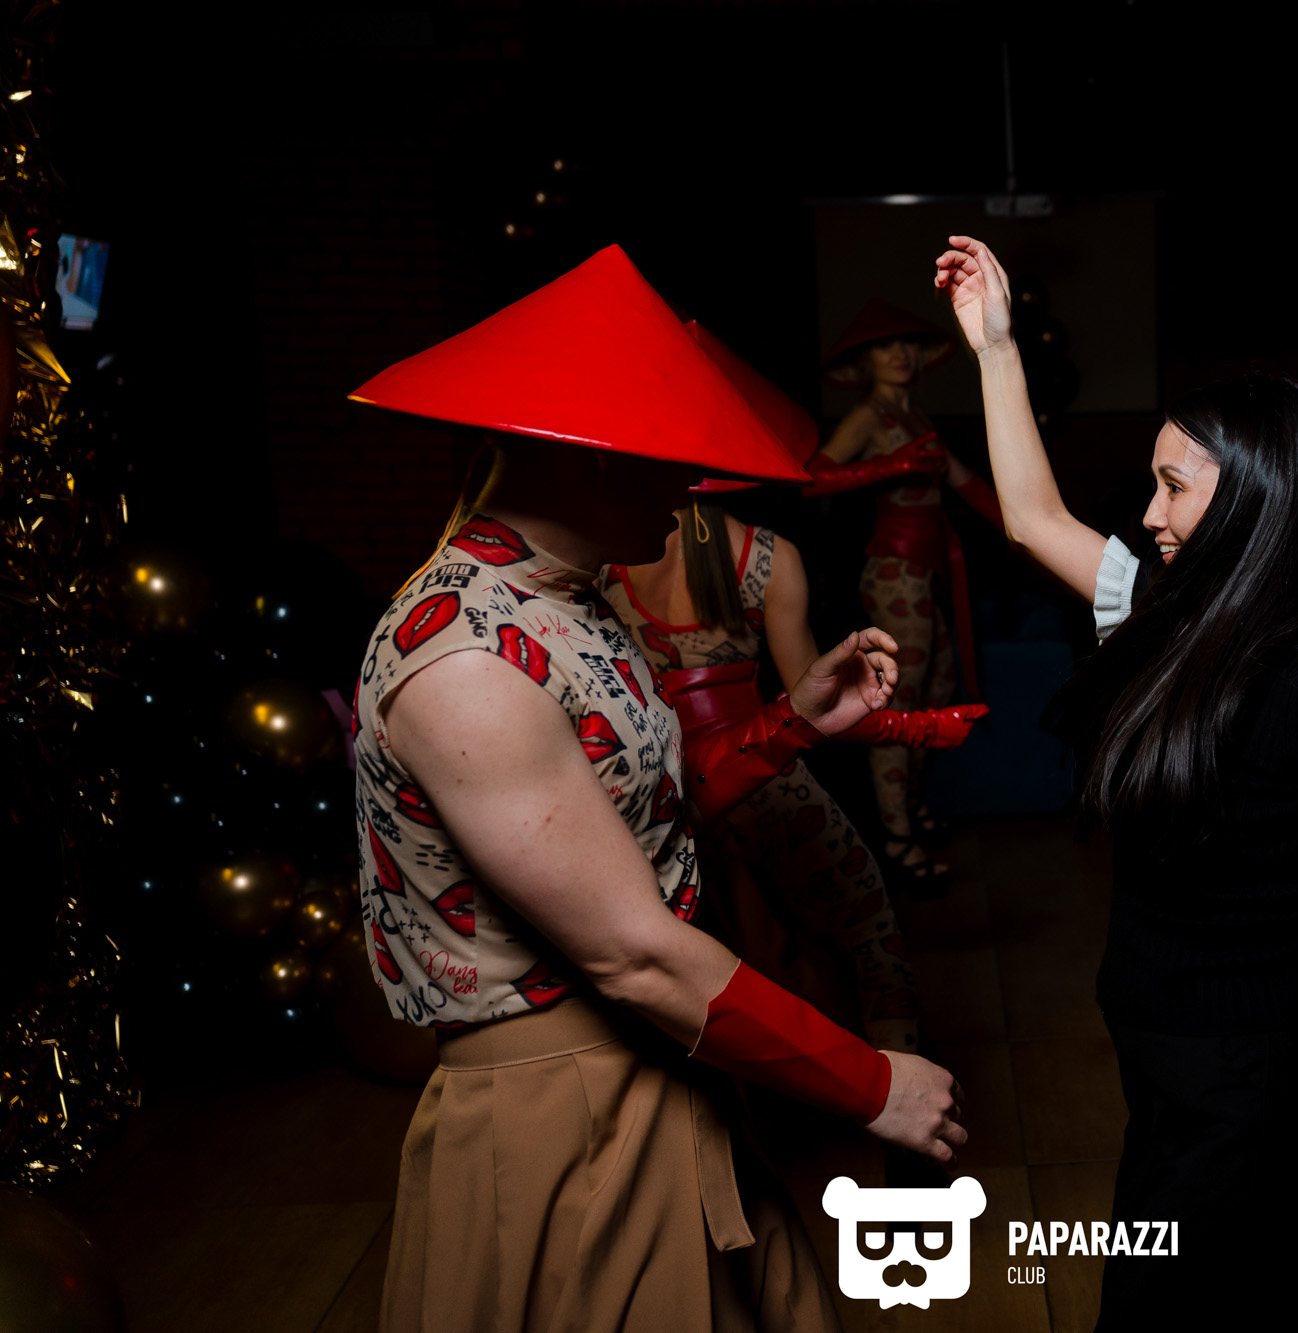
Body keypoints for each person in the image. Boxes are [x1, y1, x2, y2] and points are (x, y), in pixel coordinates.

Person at [348, 247, 964, 1332]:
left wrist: (788, 724)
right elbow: (631, 950)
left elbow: (635, 827)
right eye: (669, 459)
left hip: (665, 1063)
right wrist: (872, 1082)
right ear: (589, 458)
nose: (689, 491)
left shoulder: (571, 600)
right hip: (560, 1111)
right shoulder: (467, 662)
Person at [937, 236, 1298, 1326]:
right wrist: (996, 350)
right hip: (1156, 1054)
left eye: (1171, 487)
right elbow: (1031, 519)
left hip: (1242, 1080)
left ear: (1250, 500)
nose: (1148, 513)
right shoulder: (1160, 618)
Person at [606, 495, 987, 1054]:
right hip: (769, 780)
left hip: (658, 788)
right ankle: (899, 1091)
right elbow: (823, 713)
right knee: (872, 937)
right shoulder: (769, 556)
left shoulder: (610, 546)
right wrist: (922, 728)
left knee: (703, 975)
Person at [806, 299, 1005, 891]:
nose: (899, 354)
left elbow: (965, 482)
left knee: (935, 691)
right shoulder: (869, 415)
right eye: (884, 347)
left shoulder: (915, 415)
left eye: (906, 345)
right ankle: (896, 837)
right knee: (896, 702)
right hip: (894, 575)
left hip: (926, 572)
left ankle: (909, 809)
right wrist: (888, 466)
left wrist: (1030, 532)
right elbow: (813, 479)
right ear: (865, 361)